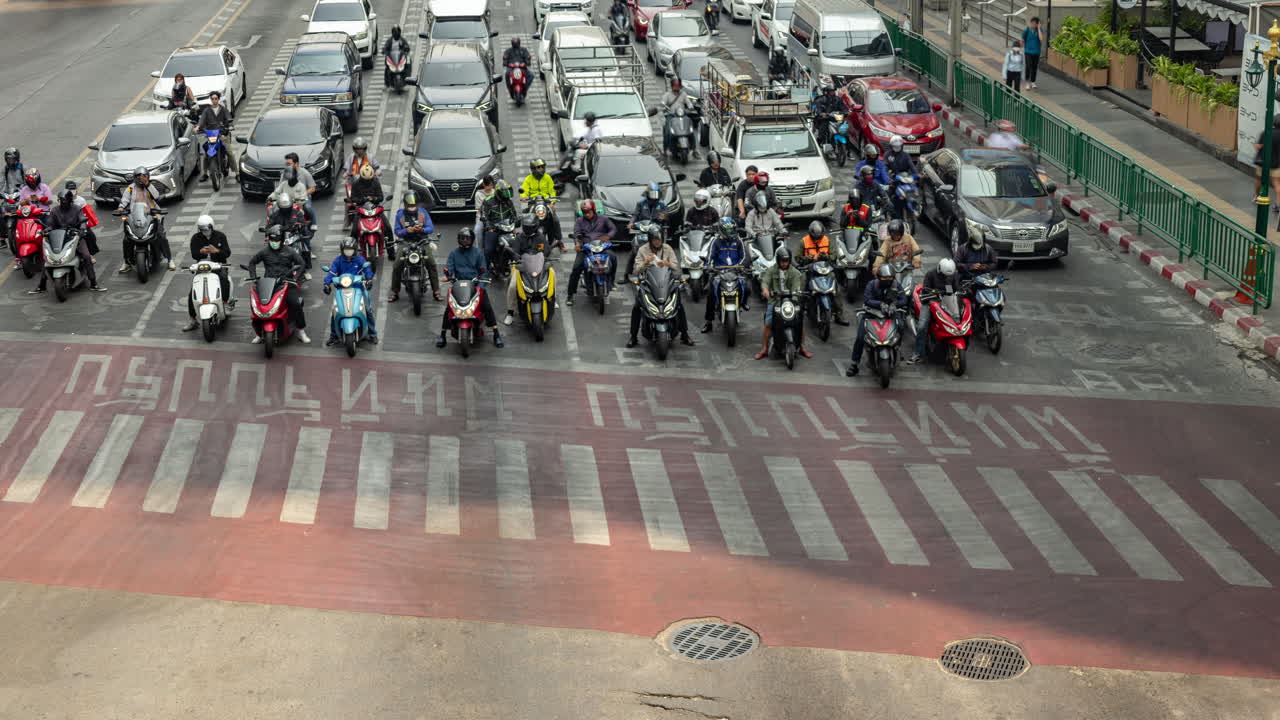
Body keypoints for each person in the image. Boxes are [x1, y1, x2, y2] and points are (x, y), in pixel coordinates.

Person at [627, 224, 693, 348]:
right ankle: (633, 336)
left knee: (678, 305)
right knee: (637, 307)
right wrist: (646, 262)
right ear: (650, 240)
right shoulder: (643, 250)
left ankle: (685, 334)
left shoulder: (668, 249)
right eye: (655, 240)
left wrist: (667, 263)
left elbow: (677, 269)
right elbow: (636, 271)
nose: (657, 242)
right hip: (648, 283)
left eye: (659, 239)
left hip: (666, 283)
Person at [438, 227, 503, 348]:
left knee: (487, 305)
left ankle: (496, 333)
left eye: (467, 238)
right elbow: (449, 267)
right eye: (462, 238)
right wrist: (448, 274)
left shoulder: (478, 253)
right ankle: (442, 334)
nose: (465, 241)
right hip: (458, 285)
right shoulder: (454, 253)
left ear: (472, 240)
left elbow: (483, 270)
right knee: (449, 308)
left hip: (475, 285)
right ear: (458, 240)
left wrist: (481, 286)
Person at [30, 189, 104, 294]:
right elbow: (51, 224)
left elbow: (82, 220)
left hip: (75, 236)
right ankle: (41, 286)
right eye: (61, 200)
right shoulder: (55, 210)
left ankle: (93, 283)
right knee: (46, 259)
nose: (63, 202)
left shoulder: (77, 209)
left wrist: (82, 230)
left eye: (65, 200)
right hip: (58, 237)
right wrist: (46, 230)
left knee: (87, 256)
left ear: (69, 200)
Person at [247, 226, 310, 344]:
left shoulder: (290, 251)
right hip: (269, 284)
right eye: (272, 240)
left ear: (281, 240)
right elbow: (252, 262)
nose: (274, 243)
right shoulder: (264, 252)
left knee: (295, 304)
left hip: (287, 283)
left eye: (276, 241)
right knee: (258, 306)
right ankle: (259, 333)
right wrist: (253, 277)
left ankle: (301, 331)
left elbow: (301, 263)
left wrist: (295, 279)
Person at [846, 263, 909, 375]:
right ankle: (854, 364)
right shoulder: (871, 284)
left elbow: (904, 299)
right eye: (885, 278)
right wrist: (880, 304)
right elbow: (867, 300)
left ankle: (897, 348)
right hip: (872, 313)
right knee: (860, 337)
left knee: (901, 327)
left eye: (890, 277)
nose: (887, 280)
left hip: (890, 313)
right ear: (879, 277)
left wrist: (895, 304)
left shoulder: (896, 285)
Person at [754, 247, 811, 360]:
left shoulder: (795, 272)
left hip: (791, 301)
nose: (784, 263)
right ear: (778, 260)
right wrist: (765, 290)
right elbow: (765, 281)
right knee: (768, 323)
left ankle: (802, 347)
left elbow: (796, 287)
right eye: (782, 261)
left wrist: (795, 298)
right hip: (774, 301)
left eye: (787, 261)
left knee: (800, 322)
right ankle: (764, 349)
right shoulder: (771, 270)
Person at [117, 167, 175, 272]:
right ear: (135, 178)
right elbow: (124, 201)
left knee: (161, 236)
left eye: (144, 176)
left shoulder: (150, 187)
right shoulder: (130, 189)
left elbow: (156, 196)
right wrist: (121, 208)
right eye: (139, 177)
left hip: (151, 216)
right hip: (134, 217)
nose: (142, 179)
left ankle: (169, 259)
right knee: (127, 240)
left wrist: (147, 185)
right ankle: (127, 262)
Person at [323, 236, 378, 345]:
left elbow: (367, 269)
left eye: (351, 250)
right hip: (341, 289)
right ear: (342, 250)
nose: (348, 252)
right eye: (346, 250)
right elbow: (331, 273)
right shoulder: (338, 261)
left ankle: (372, 334)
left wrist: (369, 278)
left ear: (355, 250)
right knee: (336, 312)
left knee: (367, 310)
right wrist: (326, 283)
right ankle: (333, 336)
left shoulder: (359, 259)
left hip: (358, 288)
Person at [181, 215, 232, 330]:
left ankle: (225, 302)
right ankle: (193, 320)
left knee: (223, 278)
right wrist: (202, 252)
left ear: (211, 227)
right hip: (202, 267)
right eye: (202, 229)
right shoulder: (195, 238)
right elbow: (194, 254)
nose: (205, 231)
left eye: (207, 229)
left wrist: (216, 251)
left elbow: (227, 253)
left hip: (218, 265)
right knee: (192, 292)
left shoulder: (220, 236)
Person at [907, 258, 961, 364]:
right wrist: (933, 292)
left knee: (957, 319)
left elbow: (956, 288)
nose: (947, 277)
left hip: (947, 301)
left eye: (949, 276)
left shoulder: (953, 275)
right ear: (940, 269)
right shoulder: (930, 274)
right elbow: (925, 289)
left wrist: (960, 292)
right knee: (922, 326)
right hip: (931, 302)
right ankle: (918, 353)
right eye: (945, 275)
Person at [389, 190, 440, 302]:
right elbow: (397, 231)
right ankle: (395, 291)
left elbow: (430, 228)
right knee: (397, 265)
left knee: (431, 263)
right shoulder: (400, 215)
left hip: (422, 241)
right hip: (405, 242)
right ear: (405, 204)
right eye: (409, 206)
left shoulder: (423, 213)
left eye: (413, 206)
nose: (412, 208)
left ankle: (436, 291)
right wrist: (407, 231)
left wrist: (421, 229)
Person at [701, 216, 749, 332]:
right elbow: (709, 256)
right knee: (711, 293)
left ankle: (742, 303)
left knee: (747, 288)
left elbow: (745, 257)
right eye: (727, 230)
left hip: (736, 272)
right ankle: (709, 321)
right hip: (719, 272)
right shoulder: (715, 242)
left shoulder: (738, 241)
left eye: (731, 230)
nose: (730, 232)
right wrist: (708, 265)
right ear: (721, 230)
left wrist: (741, 267)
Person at [503, 213, 551, 325]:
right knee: (513, 286)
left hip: (538, 266)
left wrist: (544, 257)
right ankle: (510, 312)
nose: (527, 229)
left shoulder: (541, 237)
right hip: (523, 266)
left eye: (530, 227)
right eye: (526, 226)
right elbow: (515, 250)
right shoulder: (519, 237)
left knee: (552, 277)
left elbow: (546, 250)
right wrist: (515, 256)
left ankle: (552, 300)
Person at [567, 199, 617, 305]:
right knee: (576, 268)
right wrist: (577, 243)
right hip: (587, 248)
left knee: (613, 257)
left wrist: (608, 236)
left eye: (588, 212)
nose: (587, 214)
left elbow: (613, 229)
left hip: (602, 247)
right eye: (584, 212)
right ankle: (570, 294)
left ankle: (612, 281)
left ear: (593, 210)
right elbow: (577, 234)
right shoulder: (579, 221)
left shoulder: (603, 219)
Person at [799, 220, 849, 325]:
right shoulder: (803, 241)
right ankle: (799, 311)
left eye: (819, 237)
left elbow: (834, 255)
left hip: (825, 268)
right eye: (815, 237)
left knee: (836, 288)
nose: (817, 239)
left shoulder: (827, 240)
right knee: (802, 285)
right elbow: (797, 257)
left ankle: (839, 315)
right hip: (810, 268)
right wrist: (806, 259)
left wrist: (827, 257)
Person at [266, 192, 313, 278]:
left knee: (305, 248)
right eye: (284, 208)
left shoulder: (297, 213)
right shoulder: (275, 215)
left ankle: (305, 269)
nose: (285, 210)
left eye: (287, 208)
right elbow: (269, 226)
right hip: (279, 238)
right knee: (267, 252)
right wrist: (267, 231)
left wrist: (300, 225)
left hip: (294, 236)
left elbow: (303, 223)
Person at [193, 91, 234, 181]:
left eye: (216, 99)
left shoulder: (223, 109)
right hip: (211, 135)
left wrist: (230, 126)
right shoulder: (207, 110)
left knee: (229, 152)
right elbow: (202, 120)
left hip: (223, 134)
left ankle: (237, 172)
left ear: (218, 99)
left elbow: (229, 118)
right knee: (206, 154)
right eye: (212, 99)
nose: (214, 100)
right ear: (210, 100)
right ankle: (205, 173)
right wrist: (198, 127)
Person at [519, 158, 561, 243]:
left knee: (555, 220)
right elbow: (524, 190)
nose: (541, 169)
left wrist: (552, 202)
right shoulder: (528, 179)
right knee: (525, 220)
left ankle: (559, 240)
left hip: (547, 202)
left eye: (542, 167)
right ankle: (524, 240)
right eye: (539, 167)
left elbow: (552, 190)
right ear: (533, 169)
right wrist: (523, 196)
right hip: (533, 203)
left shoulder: (547, 177)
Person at [481, 178, 519, 267]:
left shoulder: (509, 202)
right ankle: (484, 272)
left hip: (507, 229)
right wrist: (489, 226)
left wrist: (516, 222)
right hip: (494, 230)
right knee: (488, 250)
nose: (507, 194)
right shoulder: (488, 201)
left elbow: (514, 215)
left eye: (508, 192)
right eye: (505, 192)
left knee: (519, 246)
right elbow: (484, 216)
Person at [661, 78, 698, 158]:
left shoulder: (683, 94)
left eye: (678, 86)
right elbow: (663, 102)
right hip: (671, 115)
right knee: (668, 132)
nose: (676, 87)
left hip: (682, 115)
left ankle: (694, 150)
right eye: (675, 86)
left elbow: (688, 103)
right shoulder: (667, 95)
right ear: (672, 86)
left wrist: (691, 107)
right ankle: (665, 150)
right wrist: (664, 106)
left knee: (691, 130)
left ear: (680, 86)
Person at [283, 152, 317, 228]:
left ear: (296, 164)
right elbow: (280, 187)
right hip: (288, 198)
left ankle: (314, 224)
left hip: (303, 197)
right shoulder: (285, 174)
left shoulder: (305, 173)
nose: (287, 166)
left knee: (308, 207)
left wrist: (302, 194)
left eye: (289, 164)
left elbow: (312, 188)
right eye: (286, 164)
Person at [1256, 115, 1280, 210]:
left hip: (1263, 162)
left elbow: (1258, 146)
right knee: (1277, 184)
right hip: (1277, 163)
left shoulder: (1266, 132)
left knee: (1259, 180)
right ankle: (1278, 204)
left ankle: (1258, 197)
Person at [811, 79, 844, 146]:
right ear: (827, 92)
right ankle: (820, 141)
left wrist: (846, 112)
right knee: (823, 127)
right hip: (826, 118)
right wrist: (821, 113)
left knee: (845, 131)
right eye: (831, 91)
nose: (832, 92)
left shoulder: (838, 99)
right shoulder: (822, 99)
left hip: (836, 118)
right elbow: (818, 107)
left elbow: (843, 108)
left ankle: (847, 151)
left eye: (833, 91)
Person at [1021, 17, 1044, 89]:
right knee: (1028, 66)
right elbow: (1022, 39)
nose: (1032, 24)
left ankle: (1033, 81)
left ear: (1037, 24)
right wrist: (1021, 47)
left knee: (1034, 67)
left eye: (1034, 23)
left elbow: (1041, 39)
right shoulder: (1027, 30)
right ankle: (1027, 82)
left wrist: (1039, 28)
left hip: (1036, 52)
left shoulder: (1039, 31)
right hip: (1028, 51)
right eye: (1032, 23)